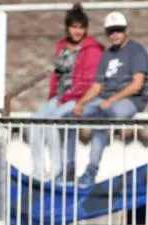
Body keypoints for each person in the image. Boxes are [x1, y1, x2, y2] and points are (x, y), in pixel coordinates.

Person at [69, 11, 148, 187]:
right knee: (67, 115)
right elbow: (97, 86)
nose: (115, 35)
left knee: (103, 115)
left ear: (126, 30)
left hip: (131, 100)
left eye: (119, 30)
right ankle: (67, 171)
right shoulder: (108, 54)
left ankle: (91, 171)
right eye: (111, 31)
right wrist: (81, 104)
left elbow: (137, 84)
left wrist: (111, 100)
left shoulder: (136, 50)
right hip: (107, 100)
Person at [30, 4, 104, 182]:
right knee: (34, 121)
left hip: (78, 98)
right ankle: (38, 171)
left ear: (86, 29)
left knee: (51, 123)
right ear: (67, 28)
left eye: (81, 27)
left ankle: (58, 170)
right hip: (60, 97)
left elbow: (88, 81)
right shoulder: (62, 46)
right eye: (73, 27)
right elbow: (57, 75)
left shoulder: (93, 49)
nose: (77, 31)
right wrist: (52, 98)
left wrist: (65, 99)